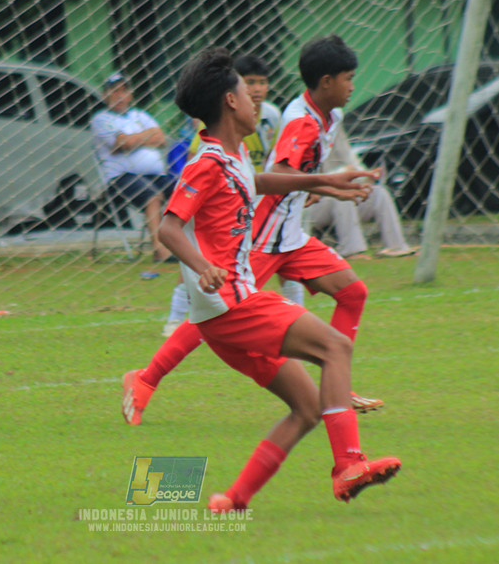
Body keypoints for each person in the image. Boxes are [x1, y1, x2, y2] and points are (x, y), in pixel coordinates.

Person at [151, 47, 400, 510]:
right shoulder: (206, 161)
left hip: (222, 318)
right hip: (233, 304)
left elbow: (259, 181)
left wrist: (325, 182)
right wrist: (204, 266)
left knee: (307, 409)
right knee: (335, 347)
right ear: (230, 102)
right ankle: (348, 464)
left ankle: (233, 499)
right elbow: (169, 227)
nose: (255, 100)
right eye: (247, 92)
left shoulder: (232, 154)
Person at [124, 36, 386, 426]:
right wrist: (320, 183)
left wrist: (327, 184)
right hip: (263, 235)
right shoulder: (298, 121)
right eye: (349, 78)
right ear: (326, 81)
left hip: (291, 235)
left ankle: (337, 383)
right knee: (217, 315)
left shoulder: (327, 117)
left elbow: (265, 177)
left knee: (352, 291)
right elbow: (277, 174)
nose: (353, 85)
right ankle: (146, 379)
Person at [161, 54, 301, 337]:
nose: (256, 91)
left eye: (262, 83)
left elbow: (266, 167)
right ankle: (176, 318)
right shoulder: (210, 153)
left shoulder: (269, 117)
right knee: (200, 255)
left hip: (250, 196)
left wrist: (318, 182)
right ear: (231, 99)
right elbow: (173, 219)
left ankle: (147, 378)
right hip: (223, 202)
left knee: (284, 250)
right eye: (249, 85)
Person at [298, 108, 416, 259]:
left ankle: (396, 246)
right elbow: (306, 183)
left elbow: (352, 163)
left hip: (335, 199)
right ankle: (352, 250)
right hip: (309, 206)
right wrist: (341, 174)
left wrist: (367, 176)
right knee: (343, 198)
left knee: (379, 193)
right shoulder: (300, 141)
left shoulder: (336, 135)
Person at [91, 73, 174, 262]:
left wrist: (133, 138)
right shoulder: (101, 119)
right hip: (121, 177)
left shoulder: (140, 115)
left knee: (187, 191)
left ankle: (189, 245)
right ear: (105, 95)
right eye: (114, 91)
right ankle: (160, 250)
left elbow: (160, 139)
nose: (119, 95)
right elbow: (122, 144)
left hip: (155, 174)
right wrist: (146, 136)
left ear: (130, 95)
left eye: (123, 90)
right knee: (153, 196)